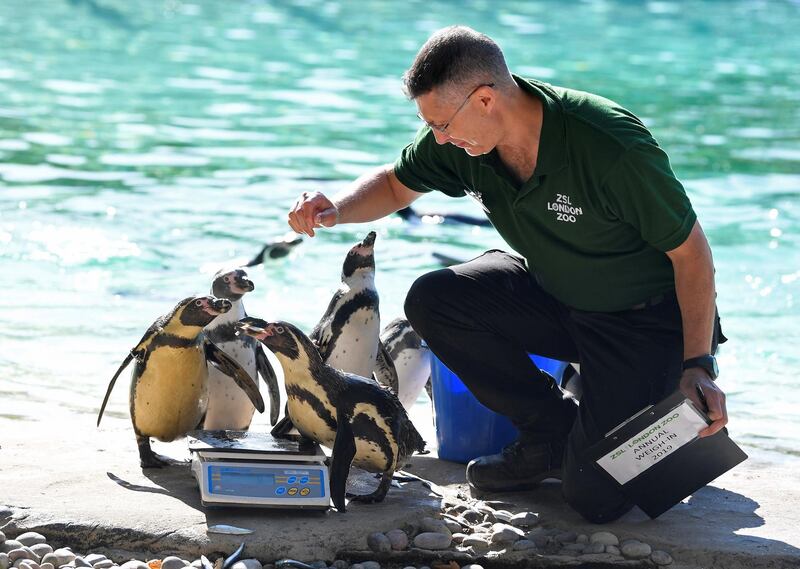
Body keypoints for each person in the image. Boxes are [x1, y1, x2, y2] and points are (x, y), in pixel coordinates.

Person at [287, 25, 727, 523]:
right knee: (435, 299)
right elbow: (394, 183)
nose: (439, 138)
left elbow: (693, 255)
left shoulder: (609, 147)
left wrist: (699, 364)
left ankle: (635, 418)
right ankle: (550, 432)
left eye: (443, 125)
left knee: (595, 501)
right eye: (430, 126)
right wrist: (335, 208)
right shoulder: (462, 139)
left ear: (485, 100)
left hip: (644, 324)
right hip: (557, 293)